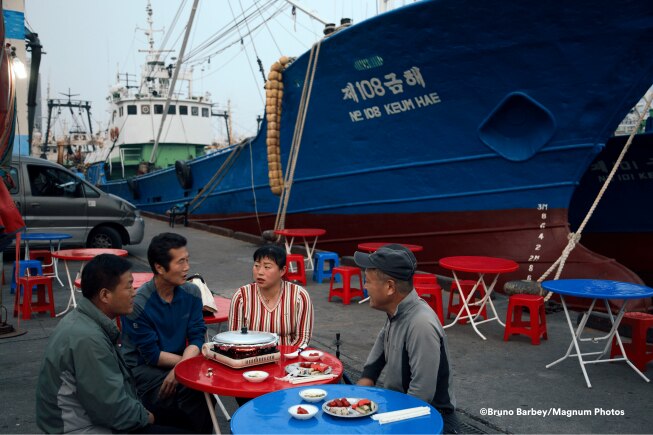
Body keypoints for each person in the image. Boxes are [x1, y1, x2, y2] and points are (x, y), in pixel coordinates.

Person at [35, 254, 182, 433]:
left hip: (93, 416)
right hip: (79, 428)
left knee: (179, 414)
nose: (134, 292)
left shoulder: (86, 321)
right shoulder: (87, 338)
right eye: (128, 286)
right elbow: (113, 410)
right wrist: (148, 417)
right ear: (105, 295)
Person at [354, 244, 460, 434]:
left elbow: (421, 394)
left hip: (433, 418)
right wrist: (367, 379)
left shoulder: (421, 324)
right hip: (401, 405)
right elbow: (382, 343)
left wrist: (390, 424)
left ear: (389, 287)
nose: (365, 287)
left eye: (368, 281)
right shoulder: (397, 312)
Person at [121, 233, 212, 433]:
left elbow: (197, 336)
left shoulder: (192, 292)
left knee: (204, 386)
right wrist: (183, 368)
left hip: (178, 360)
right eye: (180, 262)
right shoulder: (138, 304)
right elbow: (151, 355)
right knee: (191, 390)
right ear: (160, 268)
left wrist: (179, 370)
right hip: (142, 368)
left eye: (187, 260)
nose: (187, 267)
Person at [229, 245, 314, 348]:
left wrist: (285, 356)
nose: (260, 272)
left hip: (288, 358)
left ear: (282, 271)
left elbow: (303, 338)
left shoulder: (299, 296)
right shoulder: (241, 296)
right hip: (252, 357)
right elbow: (234, 336)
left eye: (267, 267)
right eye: (257, 266)